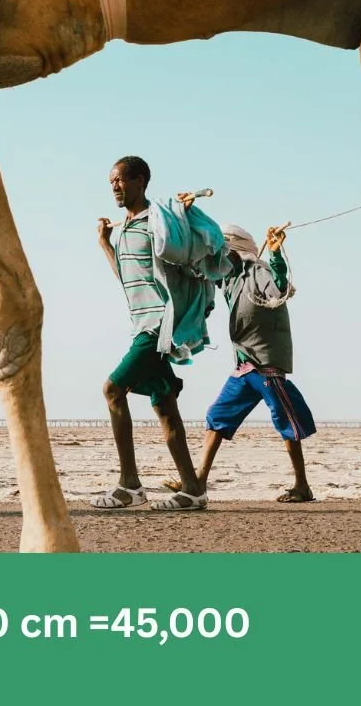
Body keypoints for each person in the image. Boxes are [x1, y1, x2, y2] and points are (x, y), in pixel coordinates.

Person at [89, 155, 223, 511]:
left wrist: (180, 212)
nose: (115, 187)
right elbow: (127, 279)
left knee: (113, 388)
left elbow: (185, 256)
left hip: (157, 327)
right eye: (111, 183)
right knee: (165, 407)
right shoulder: (126, 230)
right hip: (141, 327)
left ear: (140, 181)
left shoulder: (157, 222)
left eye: (119, 180)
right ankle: (193, 489)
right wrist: (105, 243)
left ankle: (129, 484)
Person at [172, 221, 318, 502]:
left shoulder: (259, 271)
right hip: (244, 364)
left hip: (265, 361)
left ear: (235, 250)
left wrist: (275, 255)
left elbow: (279, 290)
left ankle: (302, 485)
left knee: (286, 419)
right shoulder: (228, 277)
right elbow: (196, 268)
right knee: (217, 417)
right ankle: (199, 481)